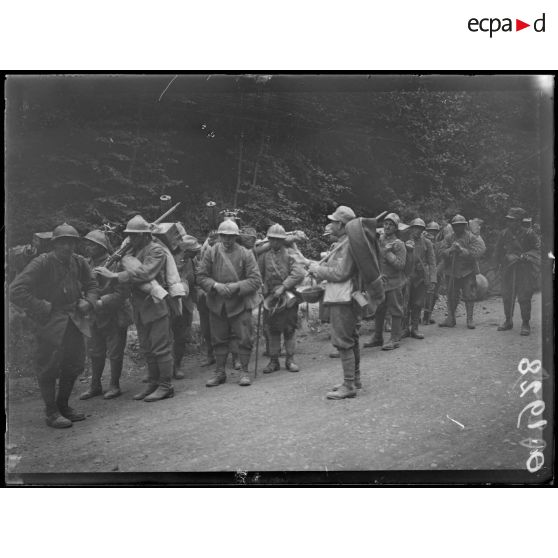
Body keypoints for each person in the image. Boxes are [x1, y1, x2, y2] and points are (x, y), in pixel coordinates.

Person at [10, 223, 99, 428]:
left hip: (74, 320)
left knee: (74, 363)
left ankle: (63, 406)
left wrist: (89, 301)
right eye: (62, 242)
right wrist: (42, 306)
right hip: (50, 322)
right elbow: (16, 290)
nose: (67, 247)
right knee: (48, 366)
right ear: (54, 244)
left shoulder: (79, 262)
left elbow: (92, 284)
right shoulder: (42, 263)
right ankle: (51, 412)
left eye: (71, 243)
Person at [94, 215, 179, 402]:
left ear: (144, 235)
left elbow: (145, 273)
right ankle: (153, 384)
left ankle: (166, 386)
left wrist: (115, 276)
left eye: (134, 235)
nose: (130, 239)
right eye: (129, 235)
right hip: (139, 307)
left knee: (161, 348)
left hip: (156, 305)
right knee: (147, 348)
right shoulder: (131, 251)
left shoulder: (156, 250)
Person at [197, 219, 262, 387]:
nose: (227, 240)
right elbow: (201, 277)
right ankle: (220, 372)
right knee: (218, 339)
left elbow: (255, 280)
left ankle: (245, 372)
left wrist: (236, 287)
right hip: (217, 304)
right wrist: (216, 286)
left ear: (236, 237)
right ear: (219, 236)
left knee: (245, 339)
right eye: (224, 236)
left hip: (240, 304)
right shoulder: (211, 252)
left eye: (231, 236)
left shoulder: (246, 253)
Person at [308, 205, 361, 400]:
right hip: (346, 296)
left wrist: (318, 270)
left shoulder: (347, 245)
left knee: (343, 341)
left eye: (333, 221)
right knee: (351, 338)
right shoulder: (345, 242)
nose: (331, 224)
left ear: (341, 224)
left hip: (343, 298)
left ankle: (349, 385)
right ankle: (354, 379)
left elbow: (341, 273)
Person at [80, 230, 133, 400]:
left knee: (115, 352)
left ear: (102, 247)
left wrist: (102, 301)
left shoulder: (117, 264)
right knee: (95, 351)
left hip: (114, 315)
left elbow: (123, 292)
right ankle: (95, 385)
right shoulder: (86, 263)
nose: (89, 247)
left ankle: (114, 385)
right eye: (88, 243)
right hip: (95, 315)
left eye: (94, 244)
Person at [258, 224, 306, 374]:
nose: (275, 242)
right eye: (272, 239)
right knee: (272, 330)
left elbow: (299, 273)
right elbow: (258, 274)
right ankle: (273, 361)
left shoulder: (291, 254)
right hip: (271, 298)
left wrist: (284, 287)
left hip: (288, 297)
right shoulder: (264, 256)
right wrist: (262, 286)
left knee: (289, 329)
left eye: (278, 240)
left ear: (283, 240)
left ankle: (290, 360)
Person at [493, 207, 540, 336]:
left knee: (525, 296)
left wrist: (525, 256)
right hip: (508, 269)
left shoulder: (529, 234)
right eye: (508, 220)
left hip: (524, 270)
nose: (510, 223)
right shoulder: (503, 234)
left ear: (519, 221)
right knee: (507, 295)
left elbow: (538, 249)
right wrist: (497, 264)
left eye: (512, 220)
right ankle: (508, 321)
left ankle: (525, 323)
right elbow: (497, 251)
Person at [364, 213, 406, 350]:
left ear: (396, 228)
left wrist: (388, 253)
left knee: (396, 310)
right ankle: (377, 337)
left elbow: (401, 265)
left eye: (391, 225)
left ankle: (395, 338)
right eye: (386, 224)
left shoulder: (399, 244)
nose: (387, 227)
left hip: (394, 283)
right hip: (380, 282)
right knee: (379, 309)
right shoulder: (379, 240)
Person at [438, 214, 486, 329]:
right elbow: (440, 252)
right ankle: (450, 318)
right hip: (452, 271)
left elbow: (478, 252)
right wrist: (451, 250)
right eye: (455, 226)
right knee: (451, 295)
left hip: (467, 271)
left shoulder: (471, 237)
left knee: (469, 295)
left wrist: (461, 250)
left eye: (460, 225)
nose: (458, 228)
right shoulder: (449, 238)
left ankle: (470, 319)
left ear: (464, 226)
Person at [170, 224, 201, 379]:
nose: (195, 253)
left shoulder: (192, 261)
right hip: (172, 303)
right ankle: (159, 370)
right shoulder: (172, 259)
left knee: (181, 337)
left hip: (187, 305)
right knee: (166, 336)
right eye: (192, 251)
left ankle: (177, 365)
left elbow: (196, 278)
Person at [405, 218, 436, 339]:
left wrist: (433, 279)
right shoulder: (404, 241)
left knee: (417, 304)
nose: (417, 231)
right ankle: (404, 328)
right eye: (414, 228)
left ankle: (415, 328)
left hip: (420, 277)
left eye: (420, 229)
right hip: (407, 276)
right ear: (411, 229)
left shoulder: (427, 243)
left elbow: (432, 262)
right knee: (405, 304)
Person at [422, 221, 442, 324]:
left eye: (435, 232)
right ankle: (415, 318)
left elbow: (441, 259)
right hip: (424, 272)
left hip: (436, 272)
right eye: (431, 231)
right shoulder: (423, 241)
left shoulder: (439, 245)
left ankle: (428, 316)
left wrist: (436, 271)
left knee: (434, 295)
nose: (433, 234)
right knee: (423, 294)